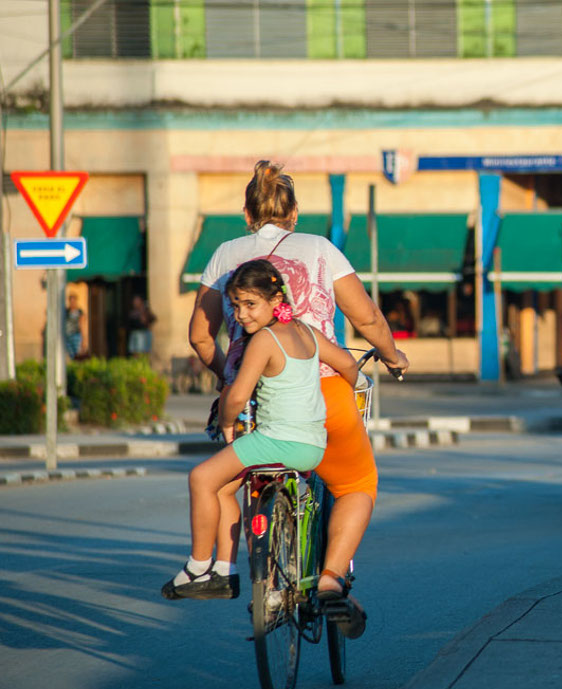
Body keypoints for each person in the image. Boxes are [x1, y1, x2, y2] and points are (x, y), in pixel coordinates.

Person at [183, 161, 409, 627]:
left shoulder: (225, 254)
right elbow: (366, 319)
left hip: (252, 400)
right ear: (295, 212)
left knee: (251, 474)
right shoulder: (321, 249)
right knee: (355, 485)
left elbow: (201, 337)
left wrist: (232, 377)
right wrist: (391, 355)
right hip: (321, 390)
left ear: (248, 213)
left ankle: (262, 581)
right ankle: (329, 579)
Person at [162, 259, 358, 605]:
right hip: (312, 447)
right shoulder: (306, 332)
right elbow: (346, 364)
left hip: (276, 443)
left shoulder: (264, 340)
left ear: (275, 299)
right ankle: (224, 568)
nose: (241, 315)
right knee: (225, 488)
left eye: (250, 304)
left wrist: (225, 423)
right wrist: (355, 390)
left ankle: (198, 567)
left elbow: (236, 396)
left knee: (201, 478)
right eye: (236, 306)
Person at [64, 293, 87, 359]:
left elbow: (82, 325)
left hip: (76, 335)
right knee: (71, 355)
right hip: (67, 336)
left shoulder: (79, 312)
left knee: (77, 354)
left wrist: (84, 339)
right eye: (71, 301)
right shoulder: (66, 311)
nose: (72, 303)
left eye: (73, 301)